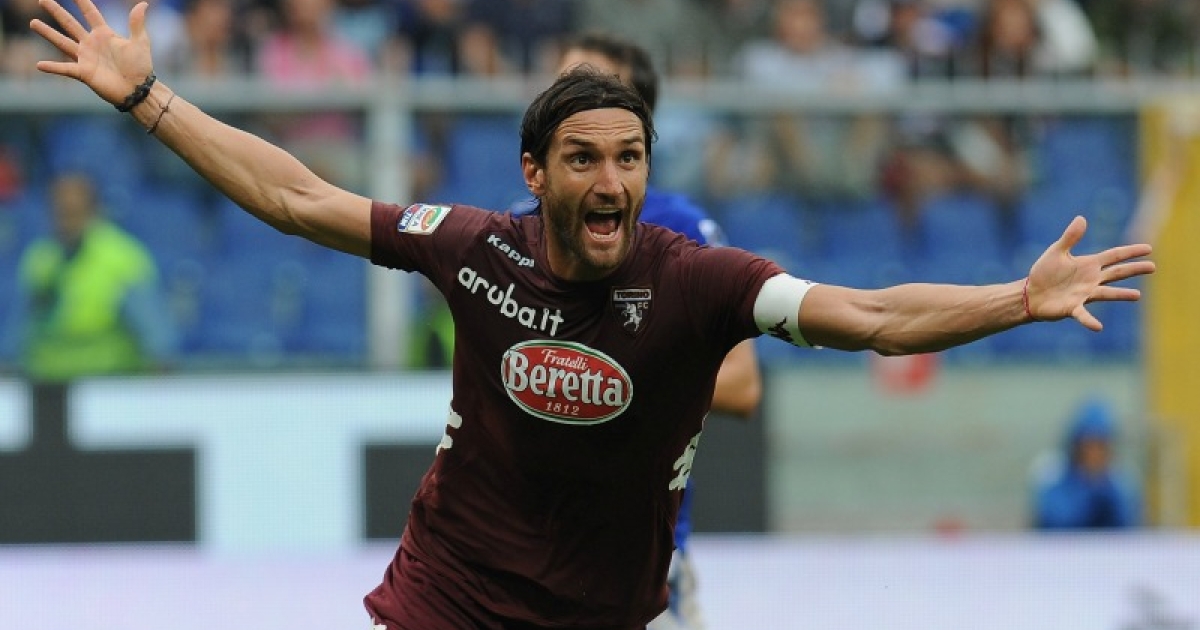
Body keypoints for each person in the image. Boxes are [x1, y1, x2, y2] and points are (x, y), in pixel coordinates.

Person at [28, 1, 1155, 626]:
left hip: (612, 612)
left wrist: (1018, 298)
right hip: (449, 599)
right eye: (583, 159)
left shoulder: (699, 280)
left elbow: (869, 313)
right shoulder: (474, 247)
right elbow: (297, 197)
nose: (610, 180)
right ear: (536, 172)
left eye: (629, 158)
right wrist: (149, 96)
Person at [517, 32, 763, 630]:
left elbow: (742, 385)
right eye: (560, 83)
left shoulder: (681, 230)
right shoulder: (519, 231)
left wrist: (605, 378)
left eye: (587, 83)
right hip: (526, 554)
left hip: (640, 557)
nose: (566, 96)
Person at [0, 171, 177, 380]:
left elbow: (157, 335)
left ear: (94, 211)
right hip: (46, 383)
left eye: (74, 213)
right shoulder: (39, 258)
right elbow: (17, 330)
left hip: (106, 383)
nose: (66, 223)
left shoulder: (123, 261)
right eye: (60, 213)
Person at [1031, 395, 1142, 529]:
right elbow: (1053, 519)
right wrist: (1087, 498)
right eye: (1089, 445)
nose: (1095, 453)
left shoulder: (1122, 480)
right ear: (1076, 446)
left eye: (1101, 445)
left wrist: (1108, 496)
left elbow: (1130, 522)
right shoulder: (1052, 474)